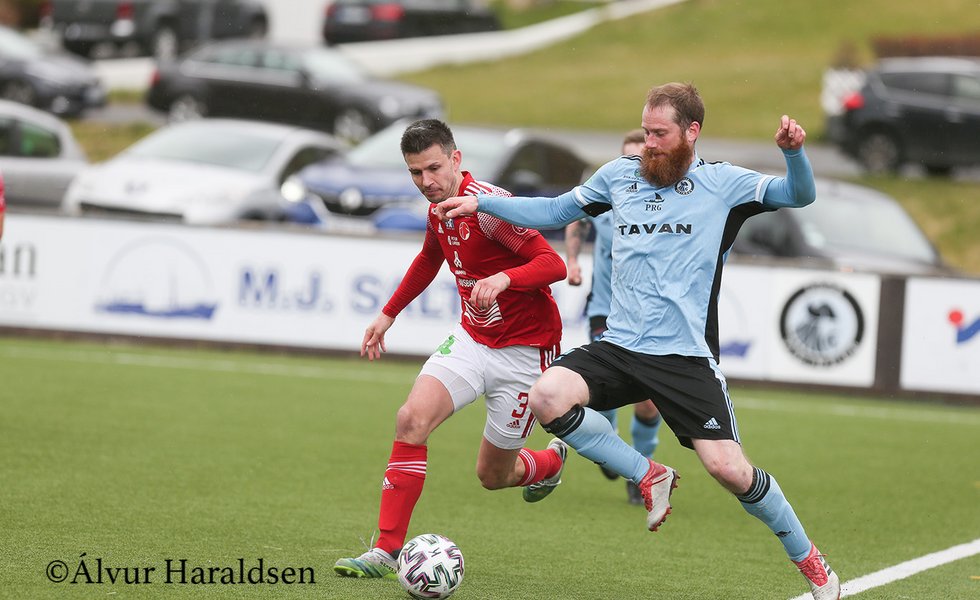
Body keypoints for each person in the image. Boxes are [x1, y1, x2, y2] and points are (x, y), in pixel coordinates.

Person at [436, 83, 840, 600]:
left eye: (659, 134)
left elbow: (799, 195)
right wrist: (482, 203)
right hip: (620, 346)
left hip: (683, 356)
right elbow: (556, 211)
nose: (648, 143)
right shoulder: (618, 176)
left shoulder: (724, 184)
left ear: (691, 132)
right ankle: (649, 474)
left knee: (730, 470)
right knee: (547, 396)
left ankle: (814, 566)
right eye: (645, 132)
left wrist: (794, 154)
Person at [334, 119, 570, 580]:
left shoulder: (489, 209)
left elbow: (552, 263)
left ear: (456, 159)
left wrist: (504, 278)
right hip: (471, 339)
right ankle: (386, 550)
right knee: (410, 420)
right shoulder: (439, 209)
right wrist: (388, 313)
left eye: (434, 168)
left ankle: (549, 462)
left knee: (493, 476)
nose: (426, 181)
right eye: (415, 172)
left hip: (525, 352)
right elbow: (429, 258)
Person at [564, 128, 661, 505]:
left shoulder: (663, 201)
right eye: (627, 157)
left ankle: (642, 470)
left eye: (641, 156)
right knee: (603, 390)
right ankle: (611, 444)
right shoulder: (607, 190)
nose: (634, 164)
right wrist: (573, 261)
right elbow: (575, 218)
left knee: (648, 402)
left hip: (649, 316)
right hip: (605, 309)